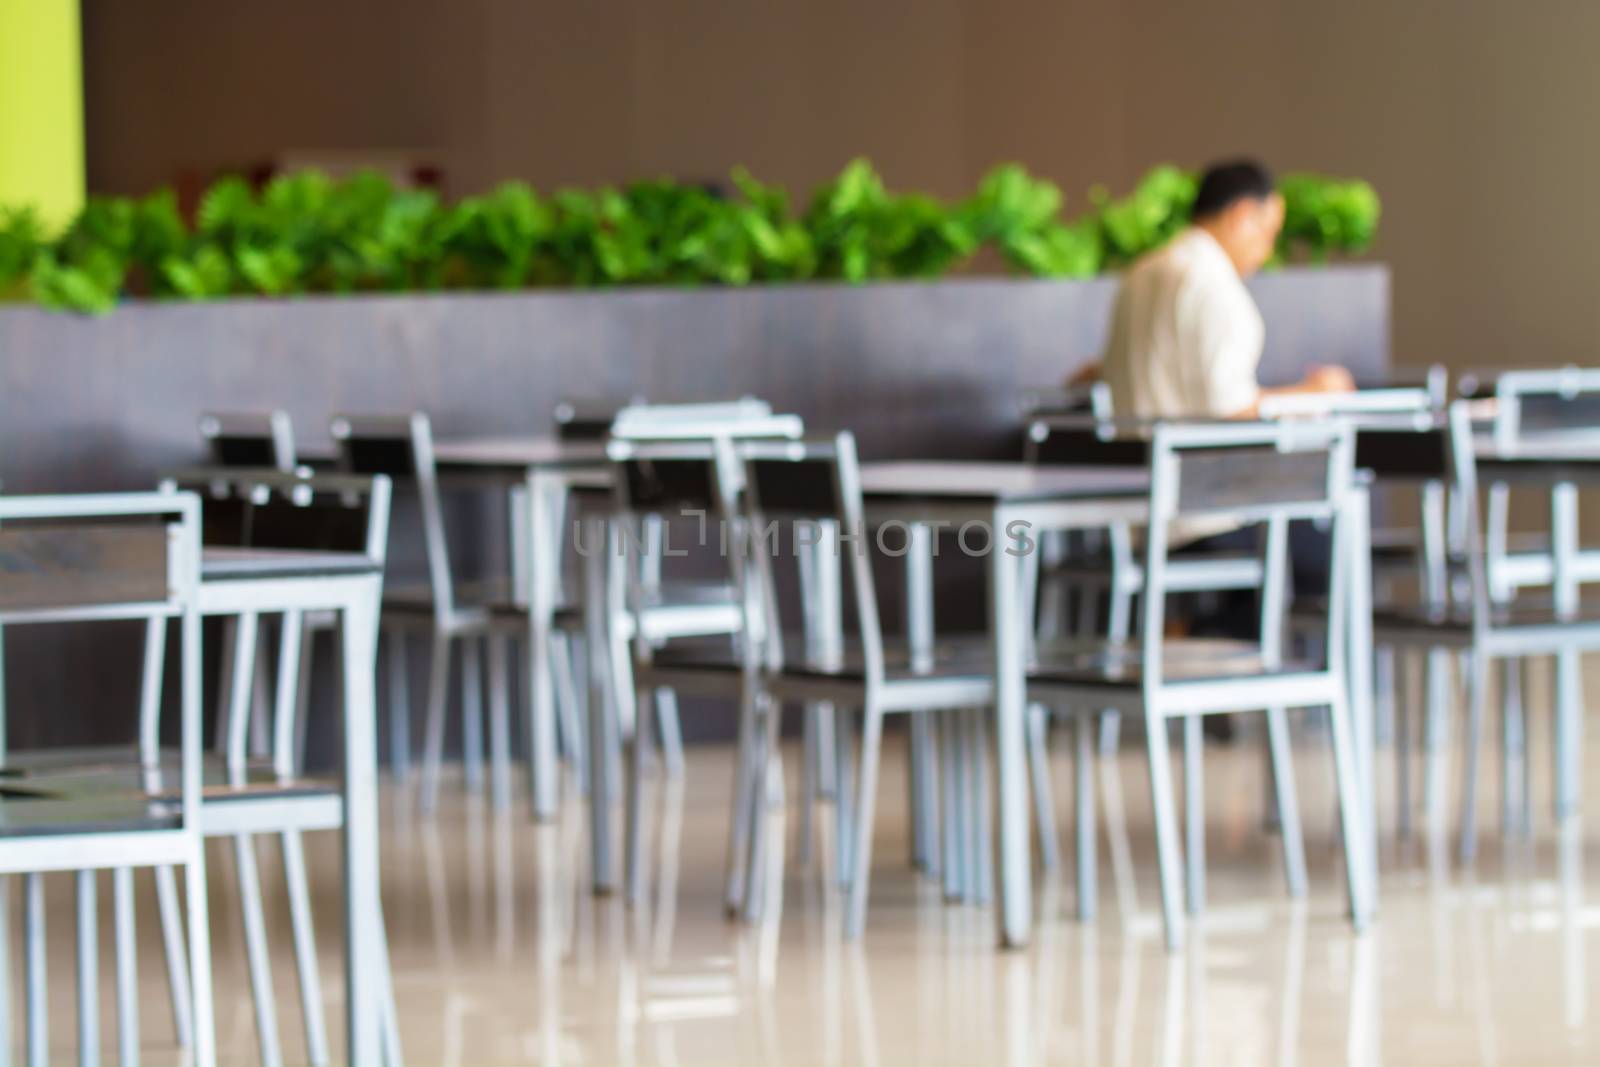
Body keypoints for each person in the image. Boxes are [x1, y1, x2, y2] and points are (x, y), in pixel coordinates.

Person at [1080, 158, 1355, 418]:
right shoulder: (1213, 284)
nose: (1267, 251)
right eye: (1268, 233)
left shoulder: (1141, 270)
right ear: (1241, 216)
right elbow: (1230, 411)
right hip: (1187, 464)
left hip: (1124, 462)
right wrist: (1316, 394)